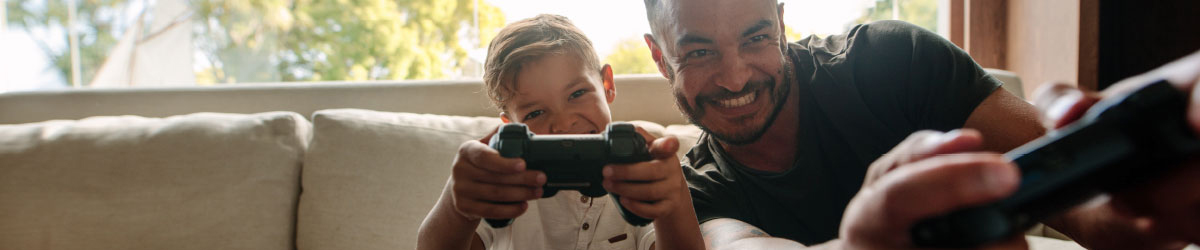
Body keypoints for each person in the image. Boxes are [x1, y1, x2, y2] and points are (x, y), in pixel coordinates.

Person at [638, 0, 1200, 249]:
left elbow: (1102, 217)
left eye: (756, 38)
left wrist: (1145, 187)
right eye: (700, 53)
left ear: (782, 23)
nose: (735, 78)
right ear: (662, 60)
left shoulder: (890, 61)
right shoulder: (689, 191)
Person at [415, 14, 703, 250]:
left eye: (577, 93)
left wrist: (672, 201)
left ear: (607, 84)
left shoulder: (639, 174)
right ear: (511, 126)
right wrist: (457, 205)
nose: (563, 125)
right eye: (535, 113)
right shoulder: (503, 185)